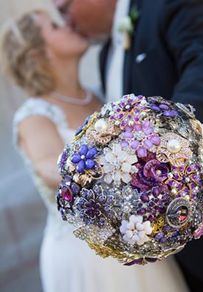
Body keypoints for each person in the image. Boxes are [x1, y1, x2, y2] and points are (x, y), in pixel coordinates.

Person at [0, 10, 189, 292]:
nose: (67, 23)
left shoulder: (101, 94)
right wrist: (120, 165)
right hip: (87, 257)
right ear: (38, 54)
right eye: (54, 26)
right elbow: (50, 169)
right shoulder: (34, 115)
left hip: (135, 239)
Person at [54, 0, 203, 291]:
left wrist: (180, 159)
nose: (66, 21)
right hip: (171, 258)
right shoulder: (105, 57)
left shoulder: (170, 5)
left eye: (65, 9)